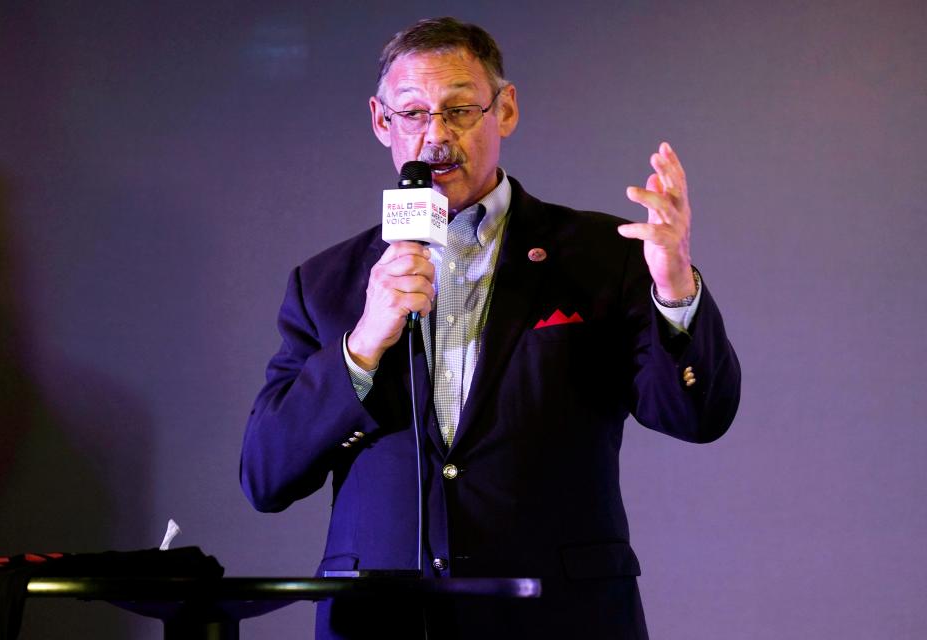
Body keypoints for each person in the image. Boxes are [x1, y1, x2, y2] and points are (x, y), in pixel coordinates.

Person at [240, 16, 741, 640]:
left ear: (505, 110)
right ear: (380, 122)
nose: (436, 135)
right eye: (414, 112)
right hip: (380, 624)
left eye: (460, 110)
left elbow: (699, 415)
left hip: (558, 617)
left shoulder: (604, 254)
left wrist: (674, 285)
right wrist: (364, 344)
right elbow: (266, 476)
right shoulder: (327, 284)